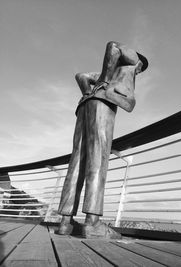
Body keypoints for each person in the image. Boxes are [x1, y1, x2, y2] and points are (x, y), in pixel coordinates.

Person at [56, 41, 148, 239]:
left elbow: (80, 76)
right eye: (142, 67)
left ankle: (65, 222)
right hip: (102, 105)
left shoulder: (104, 74)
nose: (140, 70)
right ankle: (92, 223)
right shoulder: (132, 60)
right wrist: (105, 84)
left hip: (85, 106)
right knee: (98, 159)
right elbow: (113, 45)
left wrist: (91, 91)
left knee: (77, 162)